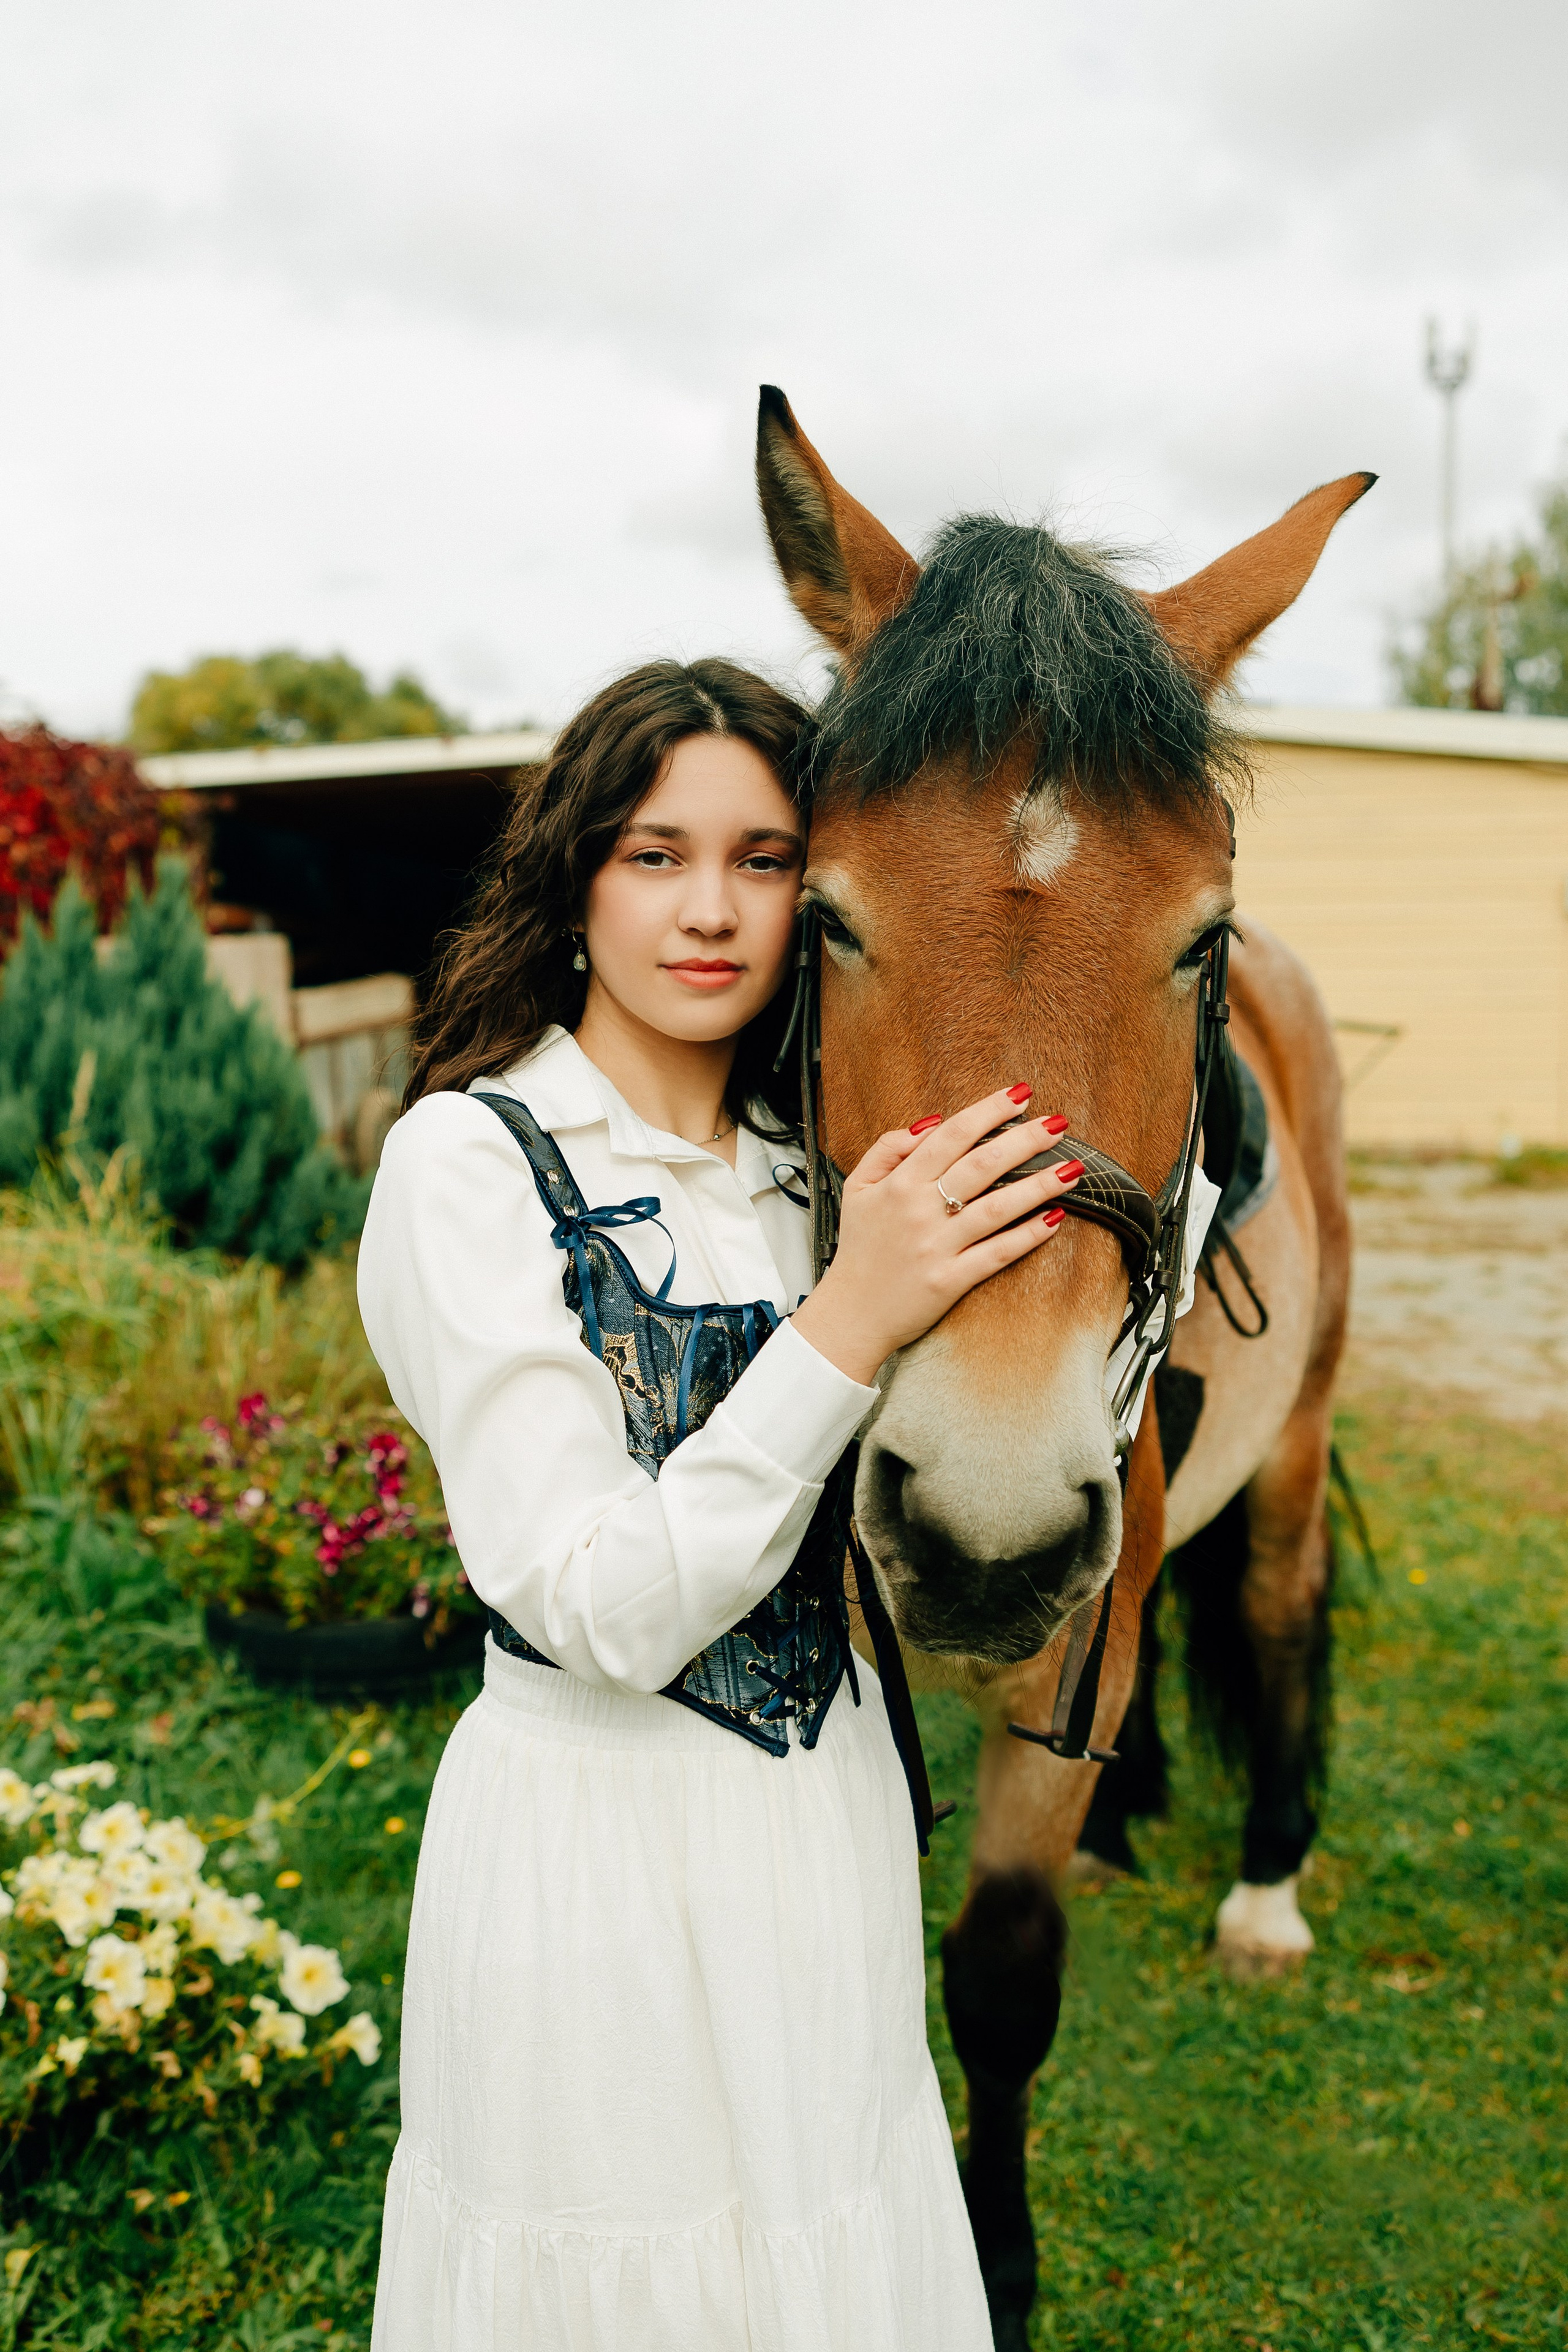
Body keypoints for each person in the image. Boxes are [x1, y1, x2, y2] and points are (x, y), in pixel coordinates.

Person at [358, 658, 1084, 2352]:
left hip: (814, 1828)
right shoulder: (474, 1165)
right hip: (591, 1857)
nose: (711, 910)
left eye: (764, 860)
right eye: (652, 852)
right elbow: (599, 1605)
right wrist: (850, 1319)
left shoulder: (820, 1173)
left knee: (831, 2250)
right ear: (574, 874)